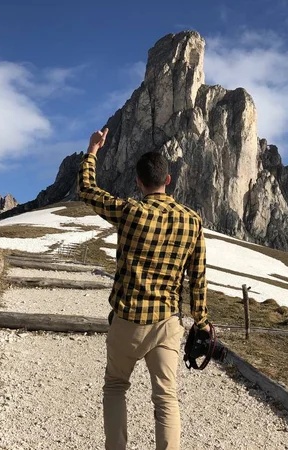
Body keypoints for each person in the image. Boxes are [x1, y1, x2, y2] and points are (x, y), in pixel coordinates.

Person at [78, 127, 209, 450]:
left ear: (138, 183)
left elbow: (87, 189)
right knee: (166, 397)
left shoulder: (131, 212)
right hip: (167, 323)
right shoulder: (192, 221)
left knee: (115, 386)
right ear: (168, 180)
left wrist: (93, 150)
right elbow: (198, 276)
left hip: (127, 320)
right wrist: (202, 321)